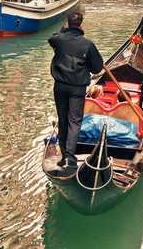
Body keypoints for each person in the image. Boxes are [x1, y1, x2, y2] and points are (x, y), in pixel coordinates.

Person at [48, 11, 104, 173]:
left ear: (67, 23)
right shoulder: (87, 44)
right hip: (77, 88)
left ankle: (64, 155)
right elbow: (97, 68)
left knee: (63, 120)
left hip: (60, 86)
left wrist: (65, 32)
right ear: (81, 24)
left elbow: (52, 37)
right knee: (74, 121)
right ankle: (69, 159)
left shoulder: (59, 40)